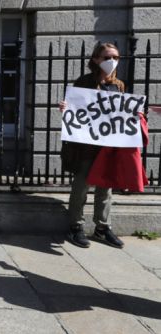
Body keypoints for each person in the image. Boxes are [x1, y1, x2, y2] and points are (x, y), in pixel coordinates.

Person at [58, 42, 127, 249]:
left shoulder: (119, 85)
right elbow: (75, 110)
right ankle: (75, 227)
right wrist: (66, 109)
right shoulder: (85, 82)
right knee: (81, 186)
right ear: (96, 59)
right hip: (85, 146)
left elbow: (121, 113)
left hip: (107, 147)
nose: (112, 61)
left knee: (105, 188)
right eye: (107, 57)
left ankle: (102, 227)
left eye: (115, 57)